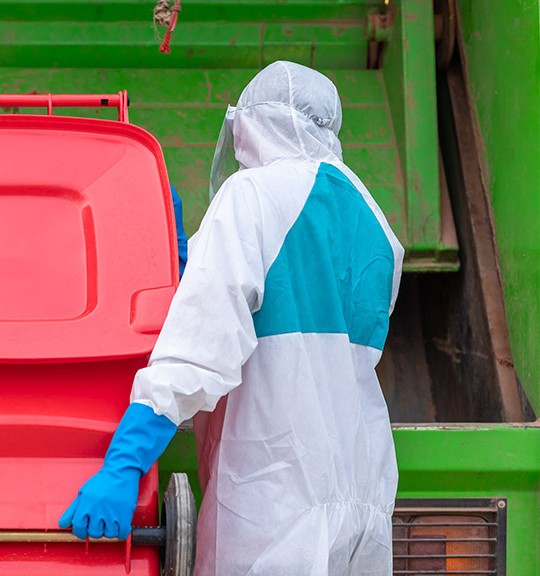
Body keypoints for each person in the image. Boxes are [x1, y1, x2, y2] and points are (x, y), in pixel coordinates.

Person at [60, 61, 403, 575]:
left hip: (276, 496)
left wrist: (124, 463)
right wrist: (182, 259)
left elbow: (200, 348)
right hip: (362, 489)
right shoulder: (374, 218)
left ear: (253, 122)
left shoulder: (253, 195)